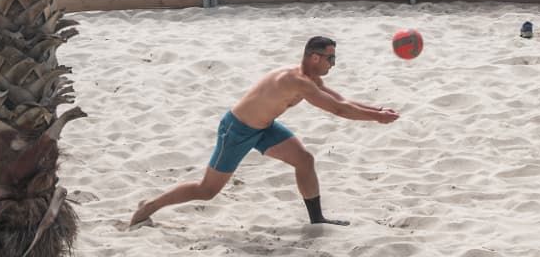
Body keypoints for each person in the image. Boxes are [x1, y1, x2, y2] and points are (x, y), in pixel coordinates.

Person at [129, 36, 399, 229]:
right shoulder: (296, 80)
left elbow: (340, 99)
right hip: (236, 131)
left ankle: (317, 219)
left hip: (265, 128)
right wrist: (377, 119)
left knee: (304, 160)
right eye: (331, 58)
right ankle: (150, 206)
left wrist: (377, 108)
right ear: (314, 57)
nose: (333, 64)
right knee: (207, 190)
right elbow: (338, 110)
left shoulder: (310, 77)